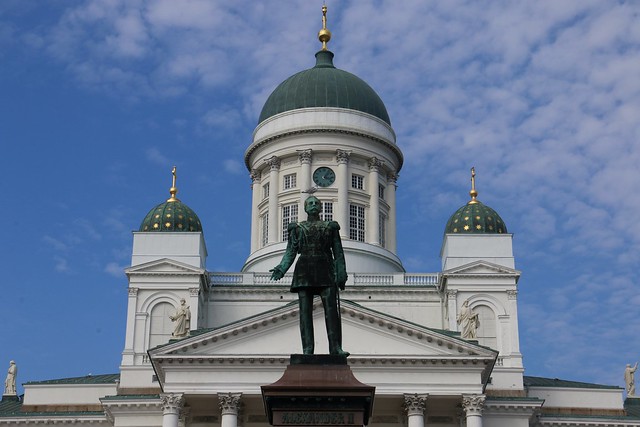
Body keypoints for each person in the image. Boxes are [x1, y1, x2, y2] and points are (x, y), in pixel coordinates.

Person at [271, 196, 349, 356]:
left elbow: (338, 252)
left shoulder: (330, 227)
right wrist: (282, 268)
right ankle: (307, 350)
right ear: (305, 208)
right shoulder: (298, 228)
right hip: (304, 270)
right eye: (310, 203)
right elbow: (290, 252)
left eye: (316, 203)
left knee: (331, 310)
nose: (313, 206)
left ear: (321, 208)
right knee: (305, 313)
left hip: (325, 268)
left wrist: (341, 273)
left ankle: (335, 348)